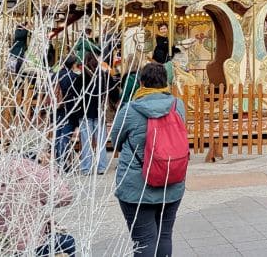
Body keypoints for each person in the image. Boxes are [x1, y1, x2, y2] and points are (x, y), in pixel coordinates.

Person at [109, 62, 188, 256]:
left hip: (137, 186)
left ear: (141, 83)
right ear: (166, 82)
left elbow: (115, 140)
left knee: (144, 240)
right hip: (171, 180)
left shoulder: (130, 110)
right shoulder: (178, 106)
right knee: (164, 235)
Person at [78, 52, 112, 175]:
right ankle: (101, 167)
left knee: (86, 141)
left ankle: (86, 168)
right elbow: (110, 89)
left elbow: (77, 96)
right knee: (101, 141)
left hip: (85, 111)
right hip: (99, 110)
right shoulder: (102, 75)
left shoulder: (81, 77)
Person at [53, 56, 84, 171]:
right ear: (73, 65)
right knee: (65, 136)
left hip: (56, 108)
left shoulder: (55, 75)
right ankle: (64, 163)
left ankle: (57, 161)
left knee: (57, 135)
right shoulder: (74, 77)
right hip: (69, 108)